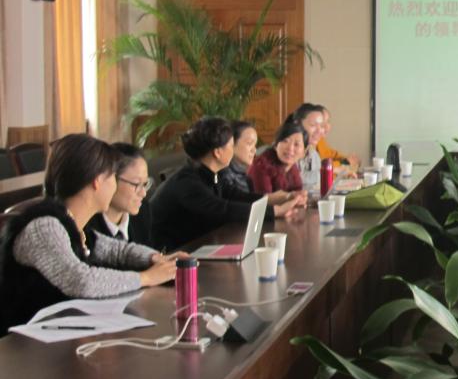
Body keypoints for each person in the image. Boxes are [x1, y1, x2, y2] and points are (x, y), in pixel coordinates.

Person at [0, 134, 179, 333]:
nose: (114, 185)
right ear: (97, 181)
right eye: (112, 177)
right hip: (22, 344)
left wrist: (157, 259)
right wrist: (146, 278)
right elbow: (81, 280)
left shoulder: (73, 222)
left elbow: (118, 251)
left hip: (58, 333)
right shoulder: (44, 227)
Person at [149, 117, 302, 251]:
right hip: (172, 254)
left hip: (199, 245)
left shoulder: (212, 174)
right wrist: (274, 211)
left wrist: (274, 199)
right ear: (217, 152)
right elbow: (222, 209)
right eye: (231, 145)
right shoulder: (187, 182)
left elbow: (235, 195)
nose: (233, 149)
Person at [85, 143, 154, 248]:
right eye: (136, 184)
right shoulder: (86, 224)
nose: (143, 193)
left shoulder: (143, 211)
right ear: (110, 179)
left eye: (145, 184)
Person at [248, 122, 308, 196]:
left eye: (296, 144)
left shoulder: (293, 167)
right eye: (285, 141)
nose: (290, 148)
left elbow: (298, 191)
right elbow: (264, 200)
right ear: (275, 145)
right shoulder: (261, 166)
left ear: (304, 152)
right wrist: (293, 197)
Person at [288, 103, 326, 196]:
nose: (319, 131)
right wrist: (325, 173)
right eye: (313, 125)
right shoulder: (286, 151)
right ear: (297, 124)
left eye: (321, 126)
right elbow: (290, 179)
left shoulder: (314, 155)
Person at [316, 107, 360, 176]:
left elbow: (331, 154)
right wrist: (344, 162)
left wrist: (346, 159)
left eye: (328, 121)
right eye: (322, 122)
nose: (327, 126)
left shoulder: (320, 140)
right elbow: (319, 168)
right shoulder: (308, 144)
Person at [220, 120, 257, 193]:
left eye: (255, 145)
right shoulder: (224, 176)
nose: (254, 150)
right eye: (249, 143)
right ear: (231, 143)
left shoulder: (244, 175)